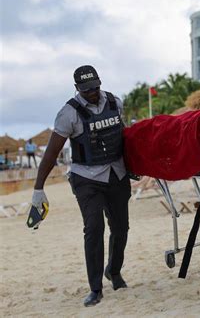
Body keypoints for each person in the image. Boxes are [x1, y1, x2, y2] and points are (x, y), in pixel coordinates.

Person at [30, 65, 131, 307]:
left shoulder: (115, 103)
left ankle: (113, 271)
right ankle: (95, 288)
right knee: (94, 228)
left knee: (121, 228)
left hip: (117, 173)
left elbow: (125, 136)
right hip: (87, 178)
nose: (93, 93)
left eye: (95, 87)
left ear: (99, 82)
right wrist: (38, 189)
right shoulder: (69, 113)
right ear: (78, 89)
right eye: (87, 90)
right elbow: (52, 153)